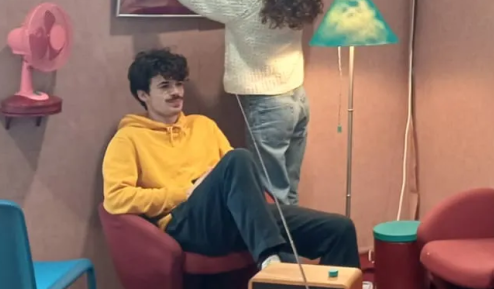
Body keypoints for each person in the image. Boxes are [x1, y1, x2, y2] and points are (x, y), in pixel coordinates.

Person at [120, 0, 321, 206]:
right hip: (297, 100)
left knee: (272, 198)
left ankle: (279, 238)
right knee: (288, 192)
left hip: (269, 108)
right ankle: (292, 237)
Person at [102, 49, 359, 270]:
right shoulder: (128, 138)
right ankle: (270, 260)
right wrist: (185, 193)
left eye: (179, 84)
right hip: (182, 223)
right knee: (238, 157)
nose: (176, 92)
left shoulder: (203, 125)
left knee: (339, 229)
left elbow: (238, 180)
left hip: (231, 217)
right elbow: (116, 199)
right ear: (143, 95)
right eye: (165, 86)